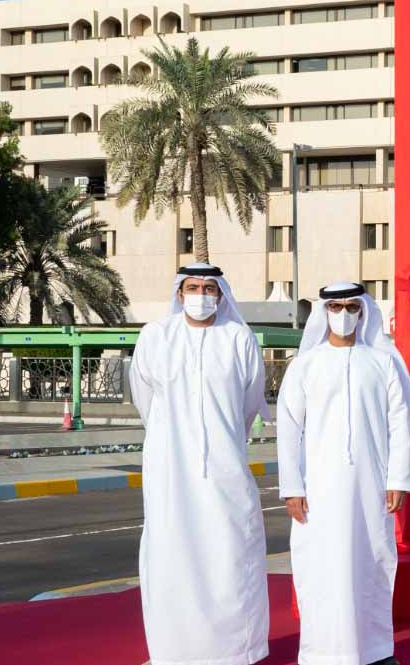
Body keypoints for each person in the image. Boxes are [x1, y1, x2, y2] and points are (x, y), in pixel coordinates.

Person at [129, 263, 269, 665]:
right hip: (169, 469)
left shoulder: (239, 339)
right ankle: (172, 653)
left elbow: (248, 404)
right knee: (171, 555)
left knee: (229, 555)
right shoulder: (155, 337)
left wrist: (220, 442)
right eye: (193, 287)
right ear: (179, 293)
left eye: (210, 288)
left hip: (225, 468)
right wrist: (174, 438)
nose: (202, 294)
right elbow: (145, 400)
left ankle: (233, 653)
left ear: (221, 295)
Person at [279, 282, 410, 665]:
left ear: (364, 312)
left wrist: (399, 479)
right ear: (324, 312)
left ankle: (376, 650)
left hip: (371, 487)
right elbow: (289, 427)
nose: (344, 315)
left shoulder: (382, 362)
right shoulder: (305, 366)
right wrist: (292, 486)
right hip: (317, 490)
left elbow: (398, 422)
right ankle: (322, 652)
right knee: (320, 567)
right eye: (336, 307)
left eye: (352, 307)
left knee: (372, 562)